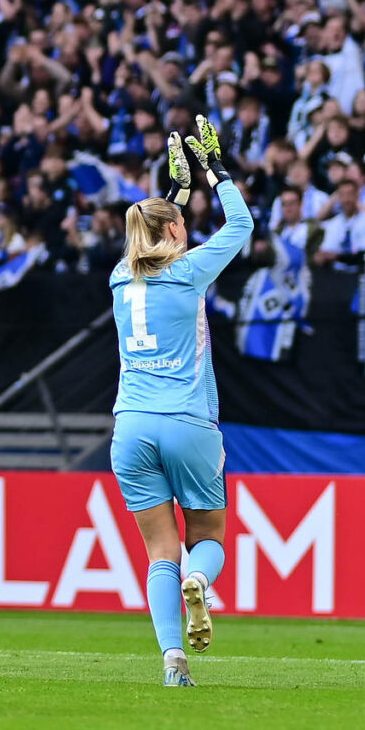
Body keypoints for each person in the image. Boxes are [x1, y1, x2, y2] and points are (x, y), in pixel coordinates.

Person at [107, 123, 251, 688]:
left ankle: (173, 662)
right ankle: (200, 578)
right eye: (183, 223)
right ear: (172, 231)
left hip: (130, 427)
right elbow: (240, 224)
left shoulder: (120, 277)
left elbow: (153, 233)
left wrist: (178, 189)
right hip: (188, 422)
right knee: (207, 538)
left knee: (157, 553)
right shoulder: (189, 273)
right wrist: (214, 172)